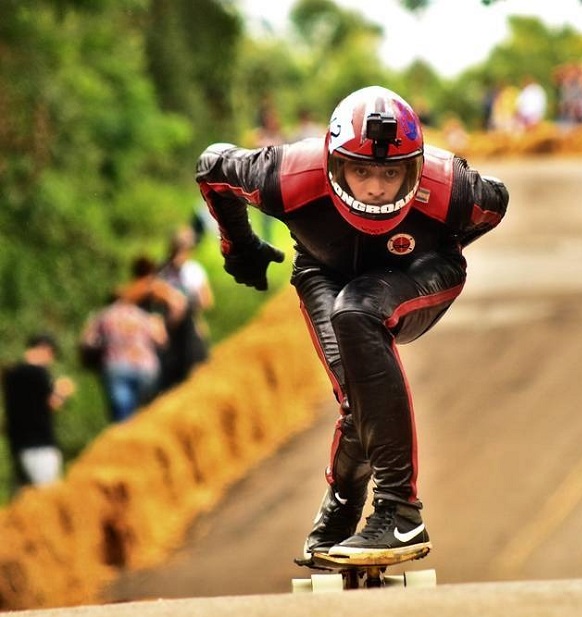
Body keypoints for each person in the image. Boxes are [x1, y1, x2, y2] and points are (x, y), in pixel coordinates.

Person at [196, 85, 509, 566]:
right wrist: (238, 245)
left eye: (391, 172)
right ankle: (343, 507)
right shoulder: (283, 175)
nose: (377, 188)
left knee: (357, 308)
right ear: (332, 163)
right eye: (361, 170)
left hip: (419, 271)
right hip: (323, 271)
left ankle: (400, 513)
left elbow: (496, 203)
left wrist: (442, 248)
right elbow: (212, 166)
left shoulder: (452, 188)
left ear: (417, 168)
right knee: (361, 403)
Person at [1, 334, 76, 490]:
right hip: (41, 444)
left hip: (18, 445)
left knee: (22, 498)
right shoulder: (39, 374)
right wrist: (63, 391)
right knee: (47, 495)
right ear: (46, 350)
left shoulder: (11, 374)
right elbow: (52, 403)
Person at [80, 293, 168, 422]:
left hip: (116, 366)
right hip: (146, 368)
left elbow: (87, 342)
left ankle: (125, 436)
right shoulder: (144, 316)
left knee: (123, 413)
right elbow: (161, 340)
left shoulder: (104, 315)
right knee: (145, 410)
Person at [157, 227, 213, 390]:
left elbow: (207, 300)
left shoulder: (194, 271)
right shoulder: (163, 271)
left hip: (190, 324)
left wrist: (187, 303)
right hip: (169, 327)